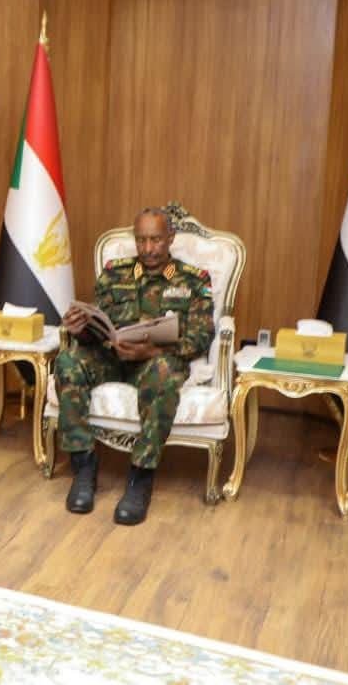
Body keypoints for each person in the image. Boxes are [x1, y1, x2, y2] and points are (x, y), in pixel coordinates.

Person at [55, 208, 214, 525]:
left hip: (155, 360)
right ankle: (84, 467)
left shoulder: (193, 280)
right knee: (67, 360)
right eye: (141, 240)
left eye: (156, 240)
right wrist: (81, 329)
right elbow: (99, 327)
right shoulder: (115, 273)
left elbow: (201, 336)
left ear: (170, 238)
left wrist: (152, 350)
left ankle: (140, 478)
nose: (148, 248)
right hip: (112, 358)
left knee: (164, 374)